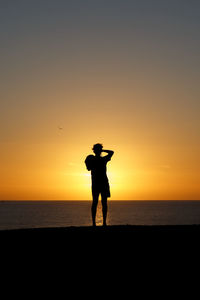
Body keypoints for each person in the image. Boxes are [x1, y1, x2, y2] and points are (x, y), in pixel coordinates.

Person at [85, 144, 114, 226]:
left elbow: (112, 152)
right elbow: (88, 168)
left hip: (101, 183)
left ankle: (101, 222)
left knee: (101, 202)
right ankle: (97, 223)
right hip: (98, 183)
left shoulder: (102, 159)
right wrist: (102, 150)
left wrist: (102, 150)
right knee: (97, 202)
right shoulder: (95, 159)